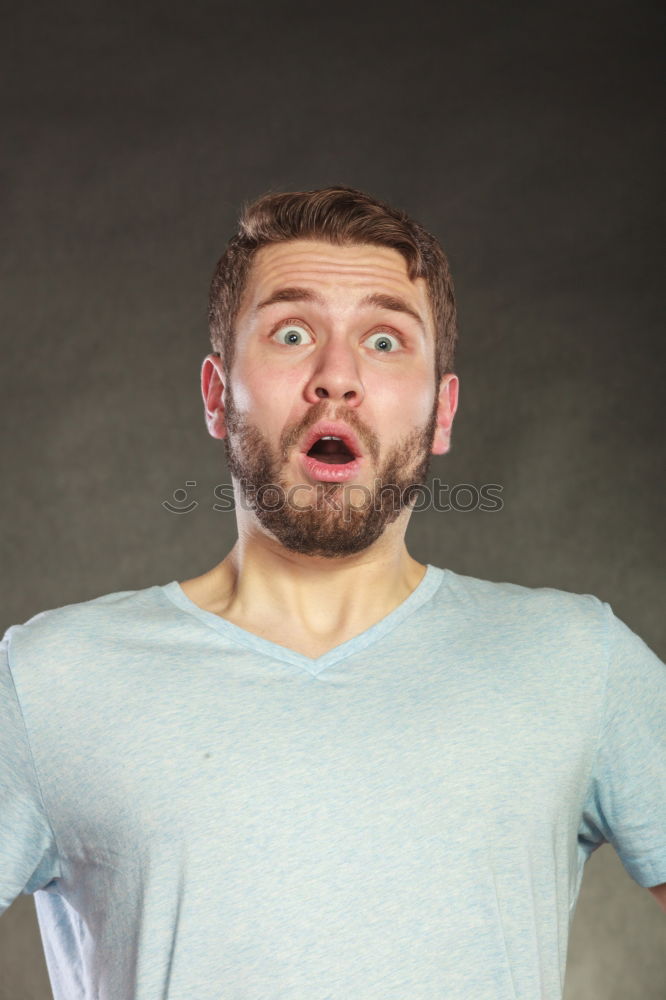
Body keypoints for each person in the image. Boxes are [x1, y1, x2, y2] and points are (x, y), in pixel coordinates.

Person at [1, 186, 664, 1000]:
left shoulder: (578, 662)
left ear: (442, 411)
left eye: (385, 340)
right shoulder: (48, 680)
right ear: (217, 394)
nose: (337, 377)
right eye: (291, 333)